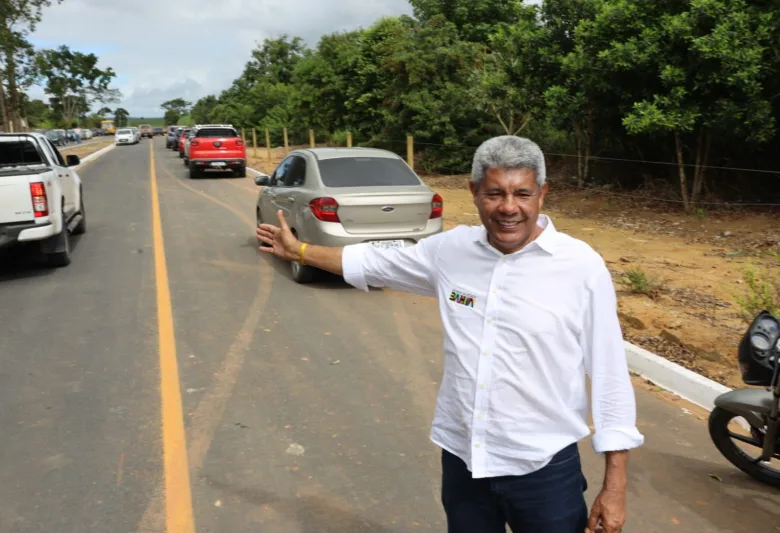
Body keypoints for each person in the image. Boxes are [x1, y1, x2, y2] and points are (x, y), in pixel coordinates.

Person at [256, 135, 644, 533]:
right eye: (494, 193)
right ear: (475, 193)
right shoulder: (450, 251)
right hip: (464, 461)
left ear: (542, 194)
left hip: (543, 470)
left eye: (522, 194)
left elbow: (611, 376)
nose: (509, 208)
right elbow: (371, 262)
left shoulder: (580, 267)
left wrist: (614, 487)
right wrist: (300, 251)